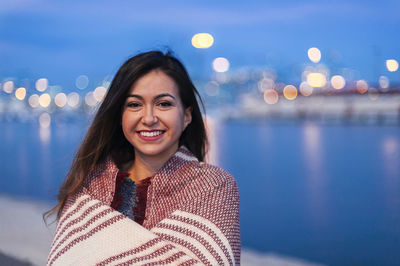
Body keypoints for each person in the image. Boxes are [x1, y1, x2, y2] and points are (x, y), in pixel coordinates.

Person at [45, 50, 241, 265]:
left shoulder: (214, 187)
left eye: (164, 104)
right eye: (134, 104)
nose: (148, 118)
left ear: (186, 116)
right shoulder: (90, 183)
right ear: (120, 116)